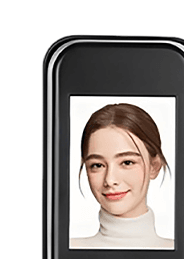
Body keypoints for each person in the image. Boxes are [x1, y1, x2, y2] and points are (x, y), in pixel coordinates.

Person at [70, 103, 173, 249]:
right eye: (97, 165)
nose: (110, 180)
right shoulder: (64, 249)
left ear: (154, 166)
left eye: (127, 162)